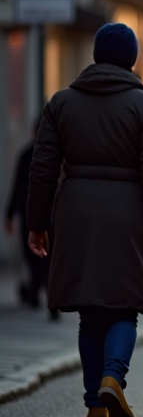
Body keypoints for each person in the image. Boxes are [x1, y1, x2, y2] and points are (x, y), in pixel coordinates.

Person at [27, 22, 143, 417]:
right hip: (127, 214)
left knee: (89, 311)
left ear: (95, 56)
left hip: (76, 213)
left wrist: (37, 223)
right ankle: (114, 377)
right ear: (132, 59)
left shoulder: (61, 103)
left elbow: (42, 169)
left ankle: (95, 405)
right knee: (123, 307)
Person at [6, 117, 54, 319]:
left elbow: (18, 187)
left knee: (35, 256)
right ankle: (43, 293)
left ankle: (37, 292)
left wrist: (9, 214)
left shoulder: (28, 155)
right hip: (48, 215)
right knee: (46, 258)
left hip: (32, 215)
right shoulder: (52, 155)